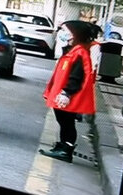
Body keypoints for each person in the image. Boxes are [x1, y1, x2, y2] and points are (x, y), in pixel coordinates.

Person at [39, 20, 97, 163]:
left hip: (67, 94)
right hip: (62, 92)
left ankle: (66, 149)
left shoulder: (79, 53)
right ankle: (62, 146)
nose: (63, 33)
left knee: (67, 122)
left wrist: (66, 92)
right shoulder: (73, 51)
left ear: (74, 34)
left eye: (66, 31)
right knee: (63, 121)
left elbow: (76, 76)